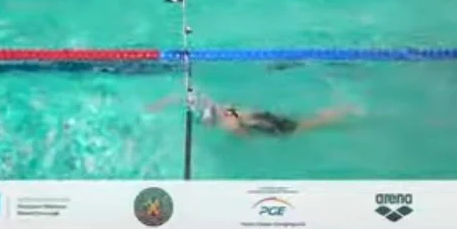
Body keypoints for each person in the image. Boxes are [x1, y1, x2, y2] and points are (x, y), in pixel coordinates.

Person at [147, 92, 354, 137]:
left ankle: (346, 112)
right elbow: (182, 96)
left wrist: (243, 135)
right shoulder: (224, 107)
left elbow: (244, 134)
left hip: (266, 125)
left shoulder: (226, 122)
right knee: (306, 121)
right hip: (262, 116)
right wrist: (158, 104)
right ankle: (342, 110)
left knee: (308, 125)